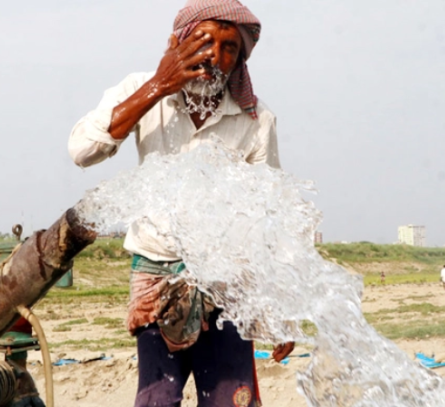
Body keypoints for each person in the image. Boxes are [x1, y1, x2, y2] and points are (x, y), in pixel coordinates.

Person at [67, 1, 293, 406]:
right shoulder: (142, 88)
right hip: (156, 277)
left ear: (240, 58)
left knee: (232, 400)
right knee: (157, 399)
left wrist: (277, 310)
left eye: (229, 48)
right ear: (178, 42)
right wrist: (159, 86)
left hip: (227, 283)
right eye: (204, 40)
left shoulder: (256, 120)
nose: (214, 56)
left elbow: (267, 218)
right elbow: (82, 150)